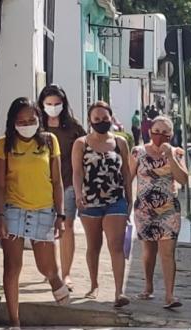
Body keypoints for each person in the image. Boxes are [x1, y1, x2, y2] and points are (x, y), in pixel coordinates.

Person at [0, 98, 70, 330]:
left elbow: (57, 181)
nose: (27, 125)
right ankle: (15, 322)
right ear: (13, 122)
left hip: (44, 211)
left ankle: (55, 279)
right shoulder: (4, 145)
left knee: (45, 266)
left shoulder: (49, 141)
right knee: (12, 267)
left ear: (39, 120)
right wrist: (0, 216)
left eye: (31, 120)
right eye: (21, 121)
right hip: (14, 209)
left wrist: (60, 214)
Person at [72, 101, 132, 308]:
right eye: (96, 119)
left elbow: (126, 173)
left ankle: (119, 291)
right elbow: (77, 171)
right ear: (90, 120)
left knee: (116, 245)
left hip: (116, 200)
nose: (101, 122)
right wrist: (78, 193)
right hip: (90, 201)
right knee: (94, 245)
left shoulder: (120, 143)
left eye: (105, 119)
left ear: (111, 118)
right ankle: (94, 284)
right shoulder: (81, 143)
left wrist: (130, 198)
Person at [129, 116, 189, 308]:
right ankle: (148, 287)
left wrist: (170, 156)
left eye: (165, 132)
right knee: (148, 251)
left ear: (171, 135)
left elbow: (183, 180)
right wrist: (126, 205)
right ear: (149, 132)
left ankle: (170, 295)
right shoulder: (138, 152)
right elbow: (128, 177)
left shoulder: (177, 153)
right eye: (157, 131)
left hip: (168, 210)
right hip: (144, 210)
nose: (160, 136)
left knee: (167, 252)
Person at [38, 84, 86, 292]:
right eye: (49, 104)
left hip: (66, 184)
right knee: (45, 230)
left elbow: (86, 151)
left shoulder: (73, 127)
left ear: (64, 104)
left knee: (66, 228)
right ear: (42, 104)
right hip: (40, 186)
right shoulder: (37, 126)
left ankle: (65, 274)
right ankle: (51, 270)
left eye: (57, 104)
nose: (53, 107)